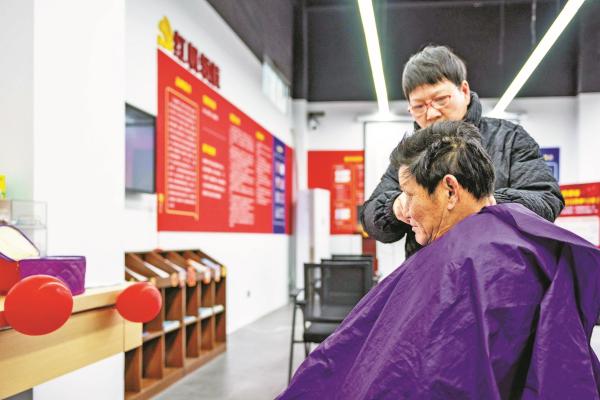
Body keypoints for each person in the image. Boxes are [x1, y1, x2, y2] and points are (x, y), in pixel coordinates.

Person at [277, 121, 600, 400]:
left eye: (409, 195)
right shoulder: (505, 243)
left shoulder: (482, 264)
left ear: (450, 190)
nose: (404, 210)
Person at [360, 45, 564, 259]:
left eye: (441, 100)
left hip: (500, 267)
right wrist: (395, 207)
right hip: (431, 271)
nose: (431, 113)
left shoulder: (509, 138)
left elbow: (546, 200)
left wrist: (482, 203)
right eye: (419, 106)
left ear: (464, 92)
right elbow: (369, 217)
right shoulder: (410, 154)